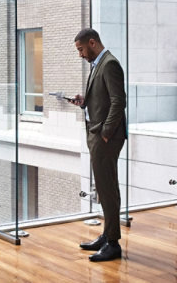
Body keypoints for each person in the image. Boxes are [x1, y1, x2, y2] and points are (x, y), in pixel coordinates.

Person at [70, 28, 127, 262]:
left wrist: (105, 133)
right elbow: (103, 99)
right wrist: (85, 102)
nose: (80, 54)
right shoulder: (98, 64)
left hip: (106, 137)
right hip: (97, 134)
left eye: (81, 49)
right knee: (104, 188)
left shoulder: (110, 64)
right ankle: (107, 235)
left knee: (107, 189)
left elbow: (118, 101)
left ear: (92, 43)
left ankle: (113, 244)